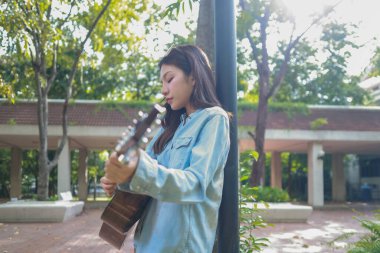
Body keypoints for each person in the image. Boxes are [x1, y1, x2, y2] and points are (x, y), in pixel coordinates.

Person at [100, 45, 230, 253]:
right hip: (145, 246)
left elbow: (195, 184)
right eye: (162, 82)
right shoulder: (168, 129)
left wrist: (137, 170)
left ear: (193, 77)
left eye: (169, 79)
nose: (163, 90)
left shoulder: (213, 118)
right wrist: (119, 180)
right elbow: (143, 180)